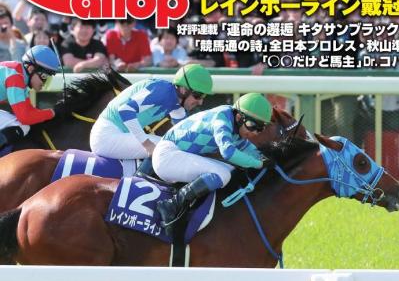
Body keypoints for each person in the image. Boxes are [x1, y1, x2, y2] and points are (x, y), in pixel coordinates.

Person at [154, 93, 272, 234]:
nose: (255, 133)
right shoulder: (222, 118)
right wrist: (258, 164)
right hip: (167, 156)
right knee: (223, 174)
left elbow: (247, 148)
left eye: (260, 128)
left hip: (178, 155)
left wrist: (265, 158)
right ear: (239, 117)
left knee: (230, 169)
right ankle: (171, 205)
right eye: (252, 126)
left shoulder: (236, 126)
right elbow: (228, 152)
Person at [90, 64, 213, 161]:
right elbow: (125, 110)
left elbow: (184, 133)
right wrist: (147, 144)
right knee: (167, 147)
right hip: (106, 136)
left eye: (204, 97)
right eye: (198, 95)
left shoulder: (176, 104)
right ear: (183, 89)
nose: (200, 102)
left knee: (173, 145)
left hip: (117, 134)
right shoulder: (162, 90)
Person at [0, 45, 60, 150]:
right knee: (21, 125)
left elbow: (30, 110)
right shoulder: (15, 76)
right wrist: (52, 113)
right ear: (31, 68)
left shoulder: (20, 75)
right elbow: (25, 118)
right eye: (44, 77)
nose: (44, 83)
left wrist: (48, 112)